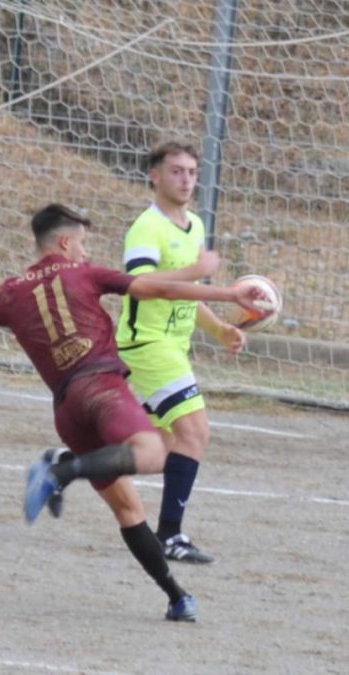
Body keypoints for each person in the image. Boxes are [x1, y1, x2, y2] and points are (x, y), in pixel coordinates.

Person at [0, 203, 267, 622]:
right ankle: (61, 472)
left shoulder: (9, 291)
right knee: (154, 453)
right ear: (64, 241)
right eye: (81, 242)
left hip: (66, 409)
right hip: (102, 390)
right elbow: (158, 289)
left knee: (128, 510)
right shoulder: (86, 273)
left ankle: (176, 596)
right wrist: (227, 293)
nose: (84, 250)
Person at [115, 141, 244, 565]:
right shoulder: (145, 229)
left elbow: (187, 295)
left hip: (173, 347)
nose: (186, 179)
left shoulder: (195, 226)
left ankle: (72, 464)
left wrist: (220, 328)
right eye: (176, 171)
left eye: (191, 171)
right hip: (146, 345)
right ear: (155, 176)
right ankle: (170, 535)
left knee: (163, 449)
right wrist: (206, 277)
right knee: (197, 432)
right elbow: (144, 286)